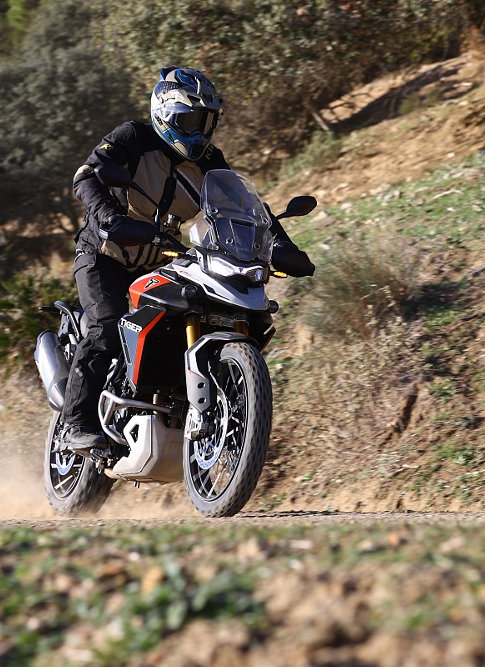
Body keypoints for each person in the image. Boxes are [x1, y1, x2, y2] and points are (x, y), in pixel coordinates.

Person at [59, 66, 314, 453]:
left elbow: (244, 208)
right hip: (104, 255)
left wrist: (279, 246)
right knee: (107, 325)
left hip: (160, 257)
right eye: (190, 120)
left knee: (200, 309)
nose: (199, 131)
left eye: (207, 121)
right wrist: (109, 217)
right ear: (165, 113)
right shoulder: (134, 136)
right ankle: (76, 422)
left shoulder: (210, 160)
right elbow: (86, 176)